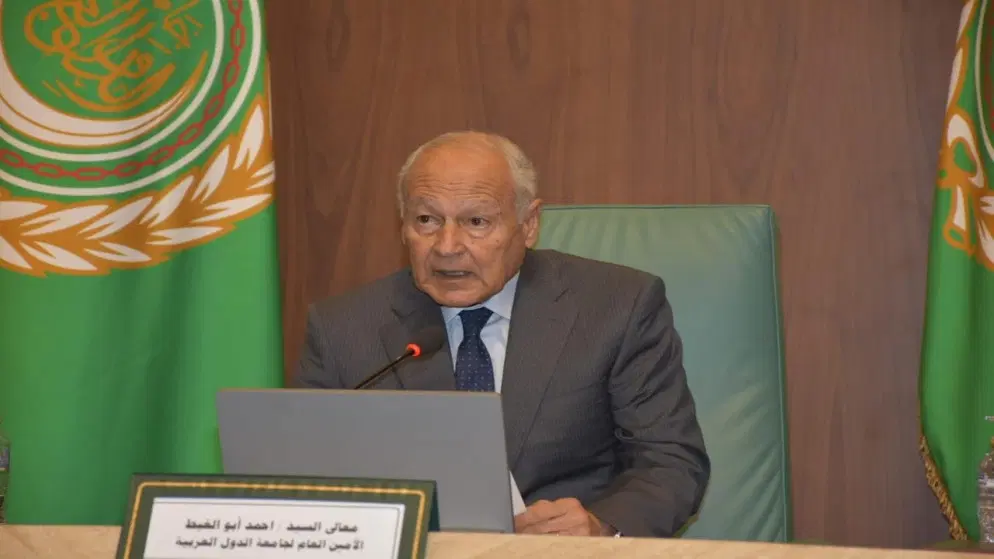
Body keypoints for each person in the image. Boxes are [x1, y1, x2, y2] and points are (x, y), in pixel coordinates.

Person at [295, 131, 710, 538]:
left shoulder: (615, 307)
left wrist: (600, 526)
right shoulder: (343, 330)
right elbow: (301, 477)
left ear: (528, 225)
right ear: (402, 225)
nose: (447, 246)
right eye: (426, 220)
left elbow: (670, 461)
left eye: (476, 221)